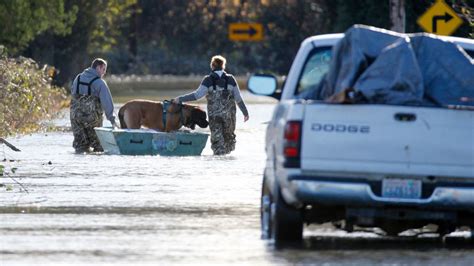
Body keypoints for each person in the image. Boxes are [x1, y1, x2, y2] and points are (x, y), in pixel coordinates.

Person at [174, 55, 249, 155]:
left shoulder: (208, 80)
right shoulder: (231, 79)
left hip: (214, 117)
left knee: (217, 143)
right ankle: (227, 163)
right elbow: (238, 99)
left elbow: (196, 96)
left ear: (212, 66)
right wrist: (245, 112)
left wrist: (180, 99)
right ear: (223, 66)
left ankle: (218, 164)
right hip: (229, 117)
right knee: (229, 140)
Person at [70, 58, 118, 153]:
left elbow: (73, 94)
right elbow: (107, 102)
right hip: (92, 120)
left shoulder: (78, 78)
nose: (104, 73)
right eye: (103, 69)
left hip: (75, 117)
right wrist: (112, 120)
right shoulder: (100, 83)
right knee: (99, 148)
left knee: (80, 147)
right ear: (98, 67)